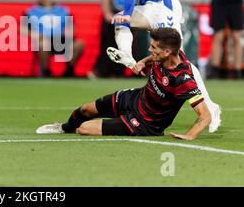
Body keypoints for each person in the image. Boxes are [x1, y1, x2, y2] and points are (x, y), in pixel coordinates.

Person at [72, 0, 222, 133]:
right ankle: (128, 57)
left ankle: (211, 109)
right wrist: (125, 15)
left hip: (164, 3)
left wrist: (127, 13)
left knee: (178, 58)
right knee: (119, 21)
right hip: (152, 4)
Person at [36, 28, 211, 139]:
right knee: (85, 110)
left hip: (145, 122)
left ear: (167, 52)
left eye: (154, 48)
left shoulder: (182, 79)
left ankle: (82, 129)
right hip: (134, 98)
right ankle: (64, 128)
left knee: (84, 129)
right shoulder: (168, 53)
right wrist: (143, 62)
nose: (150, 50)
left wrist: (189, 135)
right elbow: (153, 57)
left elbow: (205, 116)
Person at [24, 0, 85, 77]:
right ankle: (46, 72)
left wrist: (69, 33)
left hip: (62, 39)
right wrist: (35, 35)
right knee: (42, 45)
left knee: (79, 44)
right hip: (44, 40)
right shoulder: (31, 11)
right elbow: (22, 28)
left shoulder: (62, 10)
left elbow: (71, 25)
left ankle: (68, 71)